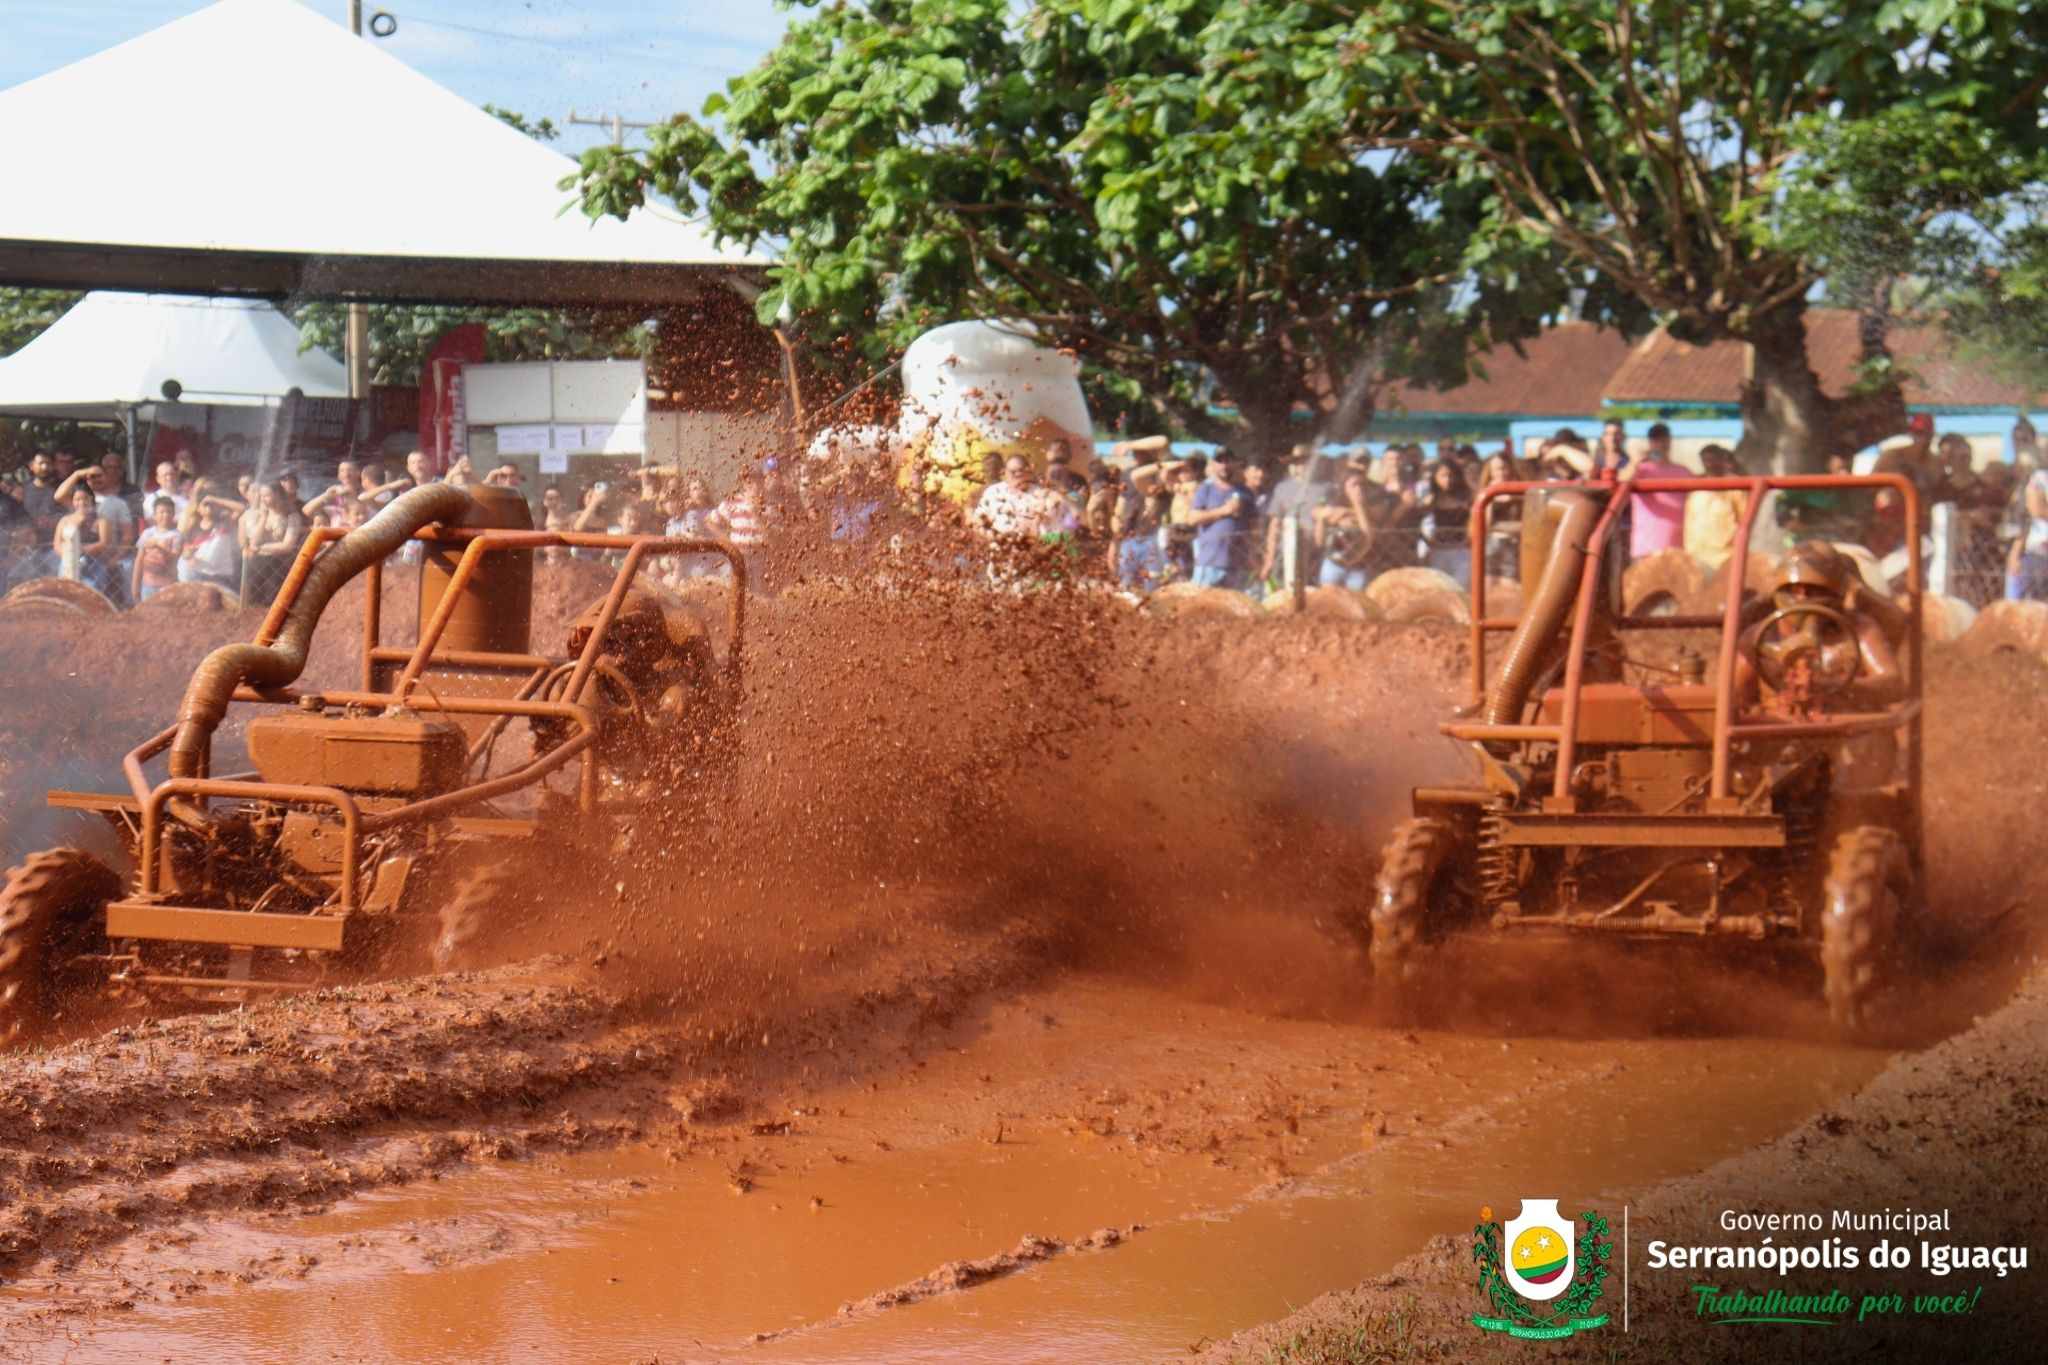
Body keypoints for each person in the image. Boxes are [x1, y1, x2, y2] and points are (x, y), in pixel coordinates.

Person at [1735, 542, 1903, 711]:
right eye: (1792, 590)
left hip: (1848, 732)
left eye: (1814, 591)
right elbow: (1736, 698)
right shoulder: (1759, 636)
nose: (1802, 598)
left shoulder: (1859, 629)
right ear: (1777, 591)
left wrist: (1832, 685)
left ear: (1836, 592)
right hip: (1778, 732)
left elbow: (1893, 686)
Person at [1261, 444, 1332, 593]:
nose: (1303, 466)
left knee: (1313, 595)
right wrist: (1269, 559)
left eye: (1307, 461)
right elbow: (1274, 525)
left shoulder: (1326, 488)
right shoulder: (1282, 488)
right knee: (1282, 592)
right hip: (1286, 551)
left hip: (1314, 553)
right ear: (1294, 465)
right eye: (1299, 462)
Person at [1185, 450, 1258, 590]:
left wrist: (1253, 555)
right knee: (1201, 606)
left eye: (1228, 461)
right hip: (1209, 563)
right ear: (1213, 464)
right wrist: (1224, 510)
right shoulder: (1205, 490)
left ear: (1235, 463)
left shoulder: (1246, 493)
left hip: (1237, 565)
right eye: (1220, 461)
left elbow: (1255, 526)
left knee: (1233, 610)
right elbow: (1192, 519)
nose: (1224, 465)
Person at [1629, 422, 1691, 559]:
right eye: (1655, 439)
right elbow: (1622, 482)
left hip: (1679, 547)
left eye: (1664, 438)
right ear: (1650, 442)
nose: (1660, 443)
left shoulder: (1684, 471)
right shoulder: (1641, 469)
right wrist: (1634, 461)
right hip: (1646, 547)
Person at [239, 481, 305, 603]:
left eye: (267, 495)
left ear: (278, 495)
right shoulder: (257, 515)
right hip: (259, 563)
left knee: (273, 599)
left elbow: (287, 545)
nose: (262, 499)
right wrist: (264, 517)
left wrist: (261, 547)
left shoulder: (292, 517)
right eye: (261, 495)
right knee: (254, 600)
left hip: (280, 563)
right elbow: (254, 541)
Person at [1683, 444, 1747, 570]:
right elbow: (1689, 519)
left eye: (1713, 459)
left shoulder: (1734, 485)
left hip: (1724, 555)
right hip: (1696, 553)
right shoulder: (1696, 485)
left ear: (1721, 460)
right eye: (1706, 460)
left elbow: (1743, 517)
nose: (1710, 464)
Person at [1421, 459, 1474, 587]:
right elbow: (1422, 525)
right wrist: (1432, 543)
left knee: (1461, 585)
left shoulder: (1467, 500)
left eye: (1450, 475)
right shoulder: (1431, 501)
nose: (1447, 480)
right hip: (1439, 549)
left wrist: (1467, 540)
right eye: (1443, 476)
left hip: (1462, 549)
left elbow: (1473, 522)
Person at [53, 485, 114, 591]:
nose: (81, 503)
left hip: (94, 562)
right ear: (72, 501)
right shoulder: (65, 520)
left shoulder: (101, 520)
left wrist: (83, 550)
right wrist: (69, 555)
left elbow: (104, 543)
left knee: (91, 590)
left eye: (85, 499)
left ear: (91, 499)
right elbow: (57, 544)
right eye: (77, 499)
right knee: (64, 588)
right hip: (68, 559)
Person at [131, 496, 184, 601]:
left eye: (169, 512)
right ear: (154, 516)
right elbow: (139, 558)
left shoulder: (177, 535)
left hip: (168, 584)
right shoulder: (147, 533)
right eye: (162, 512)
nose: (165, 515)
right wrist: (135, 584)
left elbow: (175, 557)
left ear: (173, 514)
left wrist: (159, 546)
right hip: (148, 584)